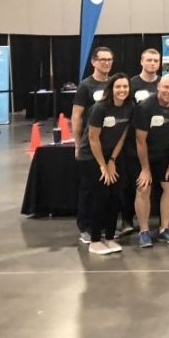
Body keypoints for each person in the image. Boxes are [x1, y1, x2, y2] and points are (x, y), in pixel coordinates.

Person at [77, 73, 134, 255]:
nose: (122, 90)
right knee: (100, 196)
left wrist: (112, 160)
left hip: (111, 156)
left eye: (125, 86)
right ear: (111, 88)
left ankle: (109, 238)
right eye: (118, 86)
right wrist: (103, 165)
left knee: (115, 196)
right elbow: (93, 138)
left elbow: (122, 136)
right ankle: (94, 241)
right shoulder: (100, 108)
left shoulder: (130, 107)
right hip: (91, 156)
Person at [132, 74, 169, 247]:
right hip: (143, 155)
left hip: (165, 154)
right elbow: (140, 141)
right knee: (143, 188)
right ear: (158, 87)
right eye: (166, 87)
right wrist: (145, 169)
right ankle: (144, 231)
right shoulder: (145, 107)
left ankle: (165, 228)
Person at [72, 46, 114, 245]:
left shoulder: (114, 84)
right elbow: (76, 116)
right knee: (89, 188)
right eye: (102, 59)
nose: (106, 63)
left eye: (109, 59)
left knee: (106, 189)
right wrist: (77, 143)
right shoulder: (85, 86)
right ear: (94, 62)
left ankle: (102, 225)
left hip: (109, 145)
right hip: (90, 145)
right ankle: (86, 227)